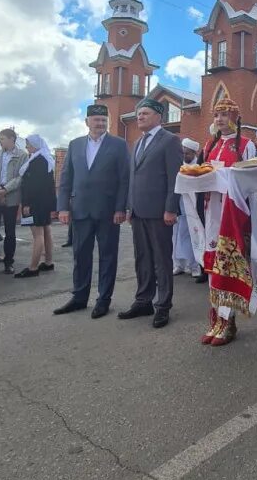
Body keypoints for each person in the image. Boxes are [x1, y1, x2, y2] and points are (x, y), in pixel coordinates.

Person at [54, 104, 129, 319]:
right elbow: (66, 178)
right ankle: (79, 297)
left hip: (108, 212)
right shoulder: (75, 145)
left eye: (104, 120)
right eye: (96, 119)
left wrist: (120, 208)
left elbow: (124, 179)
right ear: (87, 122)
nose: (100, 123)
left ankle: (103, 300)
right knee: (80, 256)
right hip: (80, 211)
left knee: (107, 257)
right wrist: (62, 208)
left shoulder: (118, 145)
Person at [119, 98, 182, 329]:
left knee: (161, 260)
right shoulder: (137, 142)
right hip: (137, 211)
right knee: (142, 258)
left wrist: (170, 208)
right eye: (139, 113)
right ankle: (143, 300)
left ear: (158, 116)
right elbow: (132, 178)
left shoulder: (170, 141)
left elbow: (175, 178)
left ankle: (163, 306)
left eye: (145, 113)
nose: (140, 117)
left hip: (159, 212)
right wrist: (129, 207)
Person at [201, 96, 256, 346]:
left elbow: (249, 182)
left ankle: (228, 319)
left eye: (224, 114)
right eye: (216, 115)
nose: (219, 119)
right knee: (213, 266)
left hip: (233, 213)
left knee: (228, 264)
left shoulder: (246, 144)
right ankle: (215, 320)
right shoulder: (209, 144)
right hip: (212, 210)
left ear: (235, 117)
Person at [0, 129, 28, 275]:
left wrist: (5, 190)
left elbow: (21, 177)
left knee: (10, 232)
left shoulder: (22, 155)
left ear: (12, 139)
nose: (0, 141)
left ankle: (8, 263)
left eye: (2, 138)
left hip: (11, 198)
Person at [15, 134, 57, 278]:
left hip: (36, 203)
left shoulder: (37, 161)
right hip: (44, 202)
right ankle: (48, 262)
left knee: (37, 234)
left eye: (28, 144)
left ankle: (33, 268)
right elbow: (49, 185)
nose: (27, 147)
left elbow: (33, 186)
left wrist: (27, 203)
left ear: (35, 145)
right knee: (46, 231)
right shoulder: (45, 159)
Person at [173, 138, 202, 278]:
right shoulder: (177, 165)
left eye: (188, 153)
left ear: (194, 153)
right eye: (183, 153)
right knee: (176, 236)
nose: (185, 156)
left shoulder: (200, 166)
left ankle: (195, 266)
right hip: (178, 207)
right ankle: (178, 264)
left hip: (193, 208)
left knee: (193, 236)